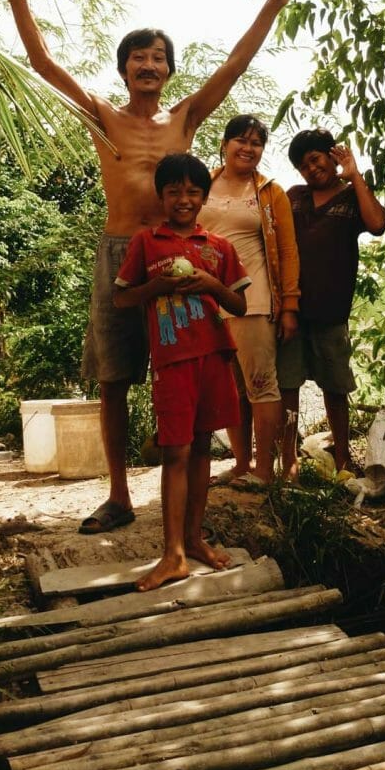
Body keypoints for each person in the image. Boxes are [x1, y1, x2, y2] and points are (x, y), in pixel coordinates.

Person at [0, 0, 296, 533]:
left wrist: (274, 4)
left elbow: (234, 64)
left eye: (158, 58)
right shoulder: (102, 116)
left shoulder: (187, 116)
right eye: (138, 57)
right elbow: (44, 64)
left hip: (182, 257)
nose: (148, 66)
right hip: (123, 254)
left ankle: (194, 491)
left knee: (192, 367)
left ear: (169, 69)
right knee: (115, 377)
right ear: (124, 68)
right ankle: (120, 494)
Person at [113, 154, 250, 591]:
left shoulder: (220, 248)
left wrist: (211, 285)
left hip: (216, 356)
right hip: (172, 362)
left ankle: (193, 540)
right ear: (162, 196)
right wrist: (158, 287)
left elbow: (239, 305)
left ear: (204, 197)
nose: (184, 199)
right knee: (175, 452)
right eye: (174, 191)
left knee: (204, 448)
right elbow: (122, 299)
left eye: (193, 192)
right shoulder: (146, 243)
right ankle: (171, 553)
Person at [277, 129, 385, 473]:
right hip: (290, 311)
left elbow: (378, 224)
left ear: (331, 157)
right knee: (288, 386)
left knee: (335, 387)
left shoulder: (351, 198)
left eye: (315, 159)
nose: (311, 169)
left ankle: (342, 456)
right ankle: (289, 460)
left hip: (331, 313)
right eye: (303, 165)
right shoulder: (293, 197)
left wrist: (355, 175)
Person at [200, 115, 300, 484]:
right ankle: (241, 464)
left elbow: (288, 251)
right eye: (241, 140)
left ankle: (264, 470)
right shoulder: (201, 183)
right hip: (207, 302)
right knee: (228, 389)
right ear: (224, 144)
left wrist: (289, 305)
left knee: (261, 385)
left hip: (255, 299)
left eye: (256, 143)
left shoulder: (270, 193)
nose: (248, 148)